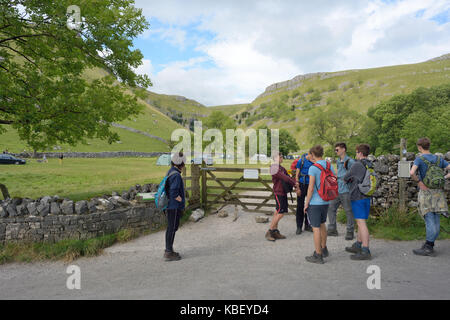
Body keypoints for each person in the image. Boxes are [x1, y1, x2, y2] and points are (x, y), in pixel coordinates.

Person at [410, 137, 450, 257]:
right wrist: (445, 178)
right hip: (438, 192)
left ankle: (428, 247)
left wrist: (419, 182)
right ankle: (430, 244)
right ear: (429, 146)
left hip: (426, 192)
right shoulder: (438, 159)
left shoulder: (420, 159)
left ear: (419, 147)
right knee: (436, 217)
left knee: (429, 218)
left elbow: (412, 173)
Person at [304, 145, 336, 264]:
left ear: (312, 154)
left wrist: (306, 203)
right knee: (322, 224)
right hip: (326, 200)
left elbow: (311, 188)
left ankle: (318, 255)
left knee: (315, 228)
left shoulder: (313, 168)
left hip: (315, 202)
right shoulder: (329, 165)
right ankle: (324, 248)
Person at [343, 144, 373, 260]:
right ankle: (358, 244)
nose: (355, 155)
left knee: (361, 223)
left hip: (358, 196)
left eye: (356, 153)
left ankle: (366, 250)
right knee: (362, 221)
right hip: (366, 196)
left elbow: (346, 178)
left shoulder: (357, 164)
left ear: (360, 153)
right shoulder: (369, 164)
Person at [266, 152, 297, 241]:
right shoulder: (274, 168)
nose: (282, 158)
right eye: (280, 157)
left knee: (278, 211)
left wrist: (294, 181)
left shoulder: (281, 168)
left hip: (282, 192)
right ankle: (270, 231)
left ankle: (275, 232)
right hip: (279, 192)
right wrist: (295, 184)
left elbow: (288, 177)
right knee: (281, 212)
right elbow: (285, 178)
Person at [327, 142, 355, 239]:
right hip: (337, 189)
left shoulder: (350, 161)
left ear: (343, 149)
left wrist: (345, 179)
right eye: (335, 150)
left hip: (346, 190)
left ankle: (350, 231)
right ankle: (332, 229)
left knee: (348, 211)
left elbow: (355, 174)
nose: (336, 151)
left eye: (337, 149)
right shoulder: (339, 161)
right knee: (331, 207)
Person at [164, 152, 186, 261]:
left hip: (169, 206)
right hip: (174, 206)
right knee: (172, 228)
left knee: (171, 228)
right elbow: (173, 192)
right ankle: (168, 252)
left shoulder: (171, 171)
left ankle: (169, 250)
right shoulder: (177, 175)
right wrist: (180, 199)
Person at [294, 152, 313, 234]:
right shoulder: (301, 161)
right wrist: (297, 188)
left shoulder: (314, 161)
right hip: (302, 184)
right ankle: (299, 226)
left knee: (309, 205)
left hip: (310, 185)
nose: (313, 157)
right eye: (312, 156)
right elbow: (297, 175)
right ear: (309, 154)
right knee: (300, 206)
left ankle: (308, 225)